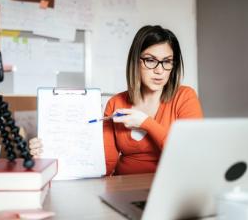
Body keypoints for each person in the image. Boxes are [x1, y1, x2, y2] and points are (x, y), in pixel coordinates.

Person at [29, 25, 203, 176]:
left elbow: (188, 155)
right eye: (150, 60)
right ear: (136, 61)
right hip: (122, 189)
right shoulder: (116, 102)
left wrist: (145, 122)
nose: (159, 70)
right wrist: (49, 155)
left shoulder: (185, 97)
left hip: (168, 187)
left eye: (167, 62)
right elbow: (105, 166)